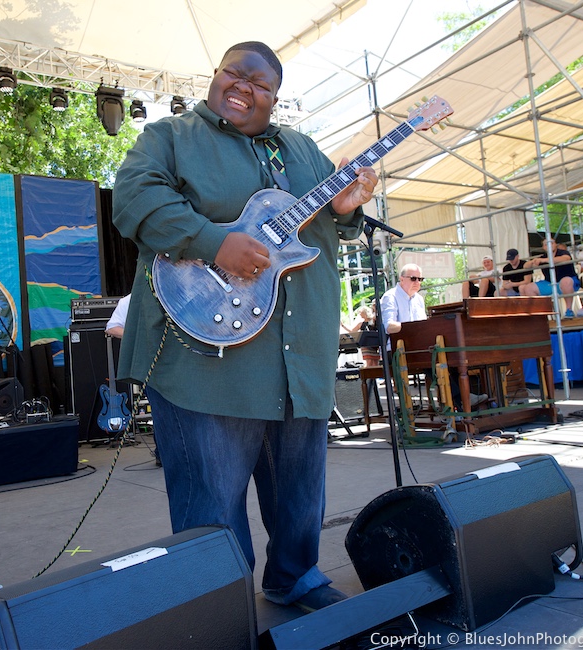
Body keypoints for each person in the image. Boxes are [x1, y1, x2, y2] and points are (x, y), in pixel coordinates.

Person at [111, 42, 379, 613]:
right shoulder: (170, 137)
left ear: (275, 97)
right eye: (234, 72)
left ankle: (295, 576)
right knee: (211, 494)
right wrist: (214, 242)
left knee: (300, 487)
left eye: (259, 83)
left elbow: (329, 230)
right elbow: (134, 200)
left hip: (297, 352)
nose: (242, 86)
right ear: (216, 75)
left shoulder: (303, 150)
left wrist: (348, 208)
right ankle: (218, 602)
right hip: (203, 355)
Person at [381, 263, 486, 409]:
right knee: (434, 358)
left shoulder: (418, 299)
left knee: (450, 355)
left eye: (420, 279)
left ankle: (461, 400)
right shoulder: (390, 297)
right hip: (395, 350)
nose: (417, 282)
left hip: (419, 347)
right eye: (413, 278)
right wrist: (413, 328)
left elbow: (424, 325)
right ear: (401, 279)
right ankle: (460, 401)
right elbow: (389, 326)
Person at [519, 238, 581, 318]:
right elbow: (525, 266)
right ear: (543, 248)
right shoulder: (542, 257)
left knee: (566, 281)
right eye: (546, 244)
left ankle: (569, 310)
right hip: (550, 283)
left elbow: (566, 258)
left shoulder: (563, 252)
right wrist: (533, 261)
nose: (548, 245)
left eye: (551, 243)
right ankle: (539, 314)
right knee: (528, 288)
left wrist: (544, 260)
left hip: (568, 282)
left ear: (555, 244)